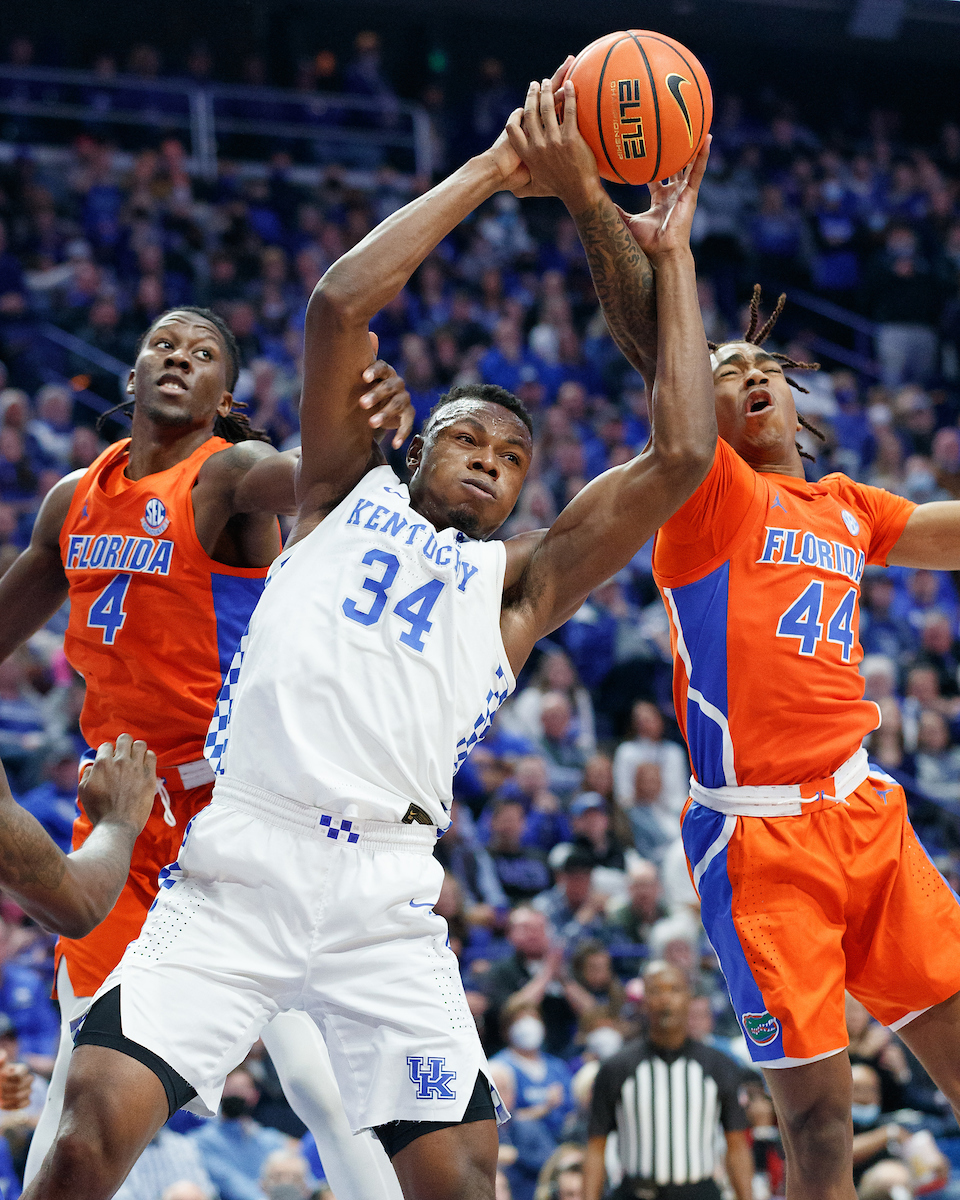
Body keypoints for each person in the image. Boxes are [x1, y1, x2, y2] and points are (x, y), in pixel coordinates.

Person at [24, 72, 716, 1200]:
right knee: (83, 1141)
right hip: (242, 859)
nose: (490, 459)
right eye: (469, 438)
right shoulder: (343, 492)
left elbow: (681, 455)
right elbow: (338, 305)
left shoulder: (522, 583)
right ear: (418, 446)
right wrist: (494, 169)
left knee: (463, 1184)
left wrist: (673, 258)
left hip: (385, 898)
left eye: (512, 458)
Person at [0, 303, 412, 1199]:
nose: (178, 357)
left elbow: (310, 478)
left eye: (202, 352)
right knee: (81, 1069)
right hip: (122, 812)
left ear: (225, 395)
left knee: (317, 1077)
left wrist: (364, 436)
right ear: (133, 373)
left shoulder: (225, 475)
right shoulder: (73, 500)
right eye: (162, 344)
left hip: (240, 807)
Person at [583, 962, 752, 1200]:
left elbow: (736, 1144)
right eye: (656, 991)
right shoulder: (616, 1068)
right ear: (643, 1001)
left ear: (689, 998)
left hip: (699, 1193)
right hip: (636, 1193)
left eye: (675, 990)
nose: (666, 999)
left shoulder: (719, 1066)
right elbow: (595, 1146)